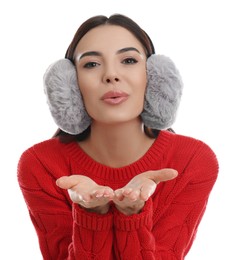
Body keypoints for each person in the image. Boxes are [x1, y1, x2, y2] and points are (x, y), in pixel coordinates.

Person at [17, 14, 219, 260]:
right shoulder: (40, 165)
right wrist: (92, 213)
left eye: (129, 60)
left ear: (155, 77)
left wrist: (133, 215)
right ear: (70, 85)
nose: (111, 75)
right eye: (91, 64)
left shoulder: (192, 161)